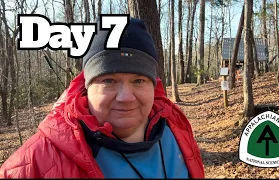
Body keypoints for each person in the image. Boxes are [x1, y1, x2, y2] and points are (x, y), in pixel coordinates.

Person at [0, 17, 204, 178]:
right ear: (87, 87)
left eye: (138, 81)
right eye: (109, 81)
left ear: (154, 85)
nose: (126, 97)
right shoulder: (34, 163)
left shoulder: (176, 128)